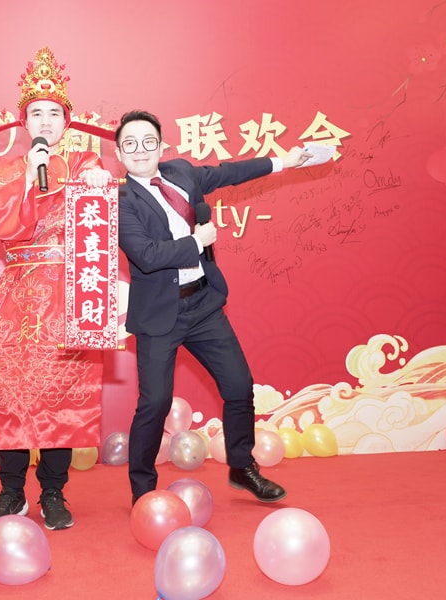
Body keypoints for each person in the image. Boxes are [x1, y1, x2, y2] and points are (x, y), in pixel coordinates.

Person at [114, 109, 312, 505]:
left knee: (239, 386)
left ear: (162, 146)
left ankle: (242, 466)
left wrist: (284, 161)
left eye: (148, 141)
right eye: (130, 144)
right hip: (159, 316)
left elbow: (229, 172)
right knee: (155, 403)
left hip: (203, 304)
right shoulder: (120, 200)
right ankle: (143, 491)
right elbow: (147, 255)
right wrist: (197, 241)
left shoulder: (182, 173)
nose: (140, 150)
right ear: (119, 154)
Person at [0, 48, 112, 530]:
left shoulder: (87, 161)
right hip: (18, 297)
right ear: (24, 122)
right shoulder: (0, 171)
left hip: (68, 296)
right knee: (8, 394)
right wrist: (28, 177)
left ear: (66, 121)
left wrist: (98, 183)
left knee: (60, 398)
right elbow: (1, 225)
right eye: (37, 114)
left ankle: (53, 492)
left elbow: (98, 219)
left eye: (54, 113)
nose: (45, 121)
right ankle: (11, 492)